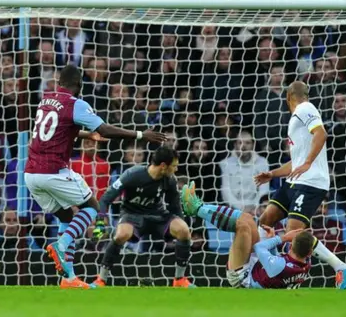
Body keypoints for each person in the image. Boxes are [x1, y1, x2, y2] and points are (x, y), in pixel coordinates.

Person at [24, 65, 166, 289]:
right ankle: (62, 244)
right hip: (53, 171)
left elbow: (56, 130)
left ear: (59, 83)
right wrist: (141, 134)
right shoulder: (76, 103)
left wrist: (86, 134)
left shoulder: (45, 101)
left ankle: (68, 278)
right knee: (93, 207)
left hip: (31, 174)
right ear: (78, 86)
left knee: (65, 218)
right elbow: (106, 129)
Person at [253, 81, 346, 289]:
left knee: (294, 230)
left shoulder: (304, 108)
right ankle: (267, 268)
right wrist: (272, 174)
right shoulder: (296, 120)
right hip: (294, 180)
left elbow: (321, 134)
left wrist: (308, 162)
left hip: (311, 182)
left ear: (288, 97)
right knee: (266, 218)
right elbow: (296, 162)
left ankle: (341, 267)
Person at [90, 146, 194, 288]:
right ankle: (101, 280)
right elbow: (105, 199)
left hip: (158, 215)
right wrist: (100, 222)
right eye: (174, 166)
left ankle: (179, 280)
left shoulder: (169, 180)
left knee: (183, 230)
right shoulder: (132, 175)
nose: (176, 170)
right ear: (163, 166)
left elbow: (175, 207)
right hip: (132, 215)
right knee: (121, 235)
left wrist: (183, 224)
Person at [181, 182, 312, 289]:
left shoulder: (283, 266)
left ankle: (197, 209)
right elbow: (276, 262)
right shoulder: (303, 265)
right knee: (248, 218)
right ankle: (198, 206)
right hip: (257, 268)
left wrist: (281, 238)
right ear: (309, 254)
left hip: (242, 278)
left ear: (290, 247)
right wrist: (272, 239)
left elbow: (260, 248)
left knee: (242, 227)